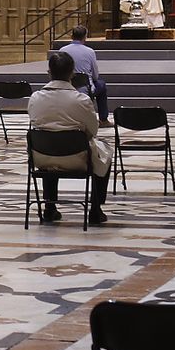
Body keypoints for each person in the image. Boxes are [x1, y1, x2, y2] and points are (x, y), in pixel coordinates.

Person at [28, 50, 113, 225]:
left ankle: (49, 208)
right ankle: (95, 209)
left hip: (42, 157)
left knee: (51, 144)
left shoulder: (35, 98)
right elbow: (93, 130)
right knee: (104, 152)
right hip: (77, 157)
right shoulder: (81, 100)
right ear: (72, 73)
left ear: (49, 73)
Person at [59, 26, 108, 123]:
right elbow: (95, 76)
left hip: (65, 86)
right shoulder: (90, 52)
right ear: (85, 37)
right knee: (101, 85)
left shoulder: (62, 50)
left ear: (72, 36)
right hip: (85, 88)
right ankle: (103, 119)